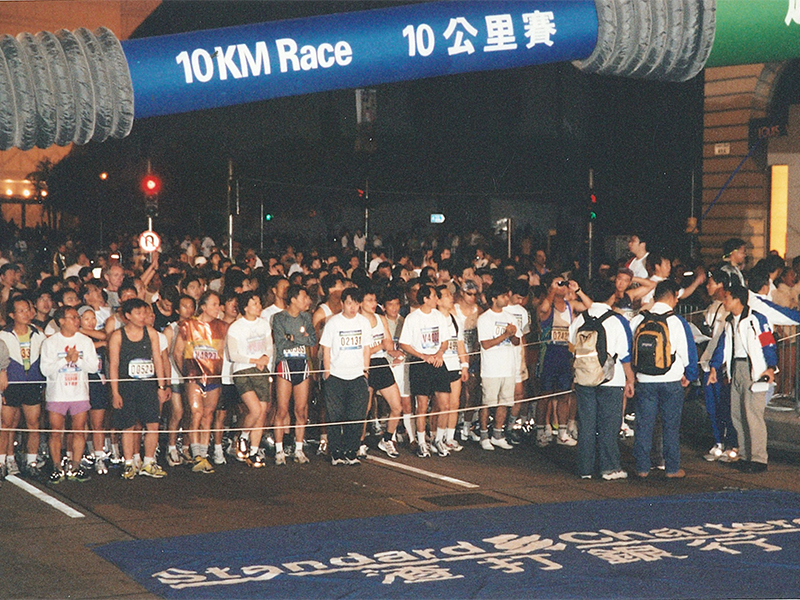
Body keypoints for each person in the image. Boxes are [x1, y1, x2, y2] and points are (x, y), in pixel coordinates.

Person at [630, 280, 699, 479]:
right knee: (670, 425)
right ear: (674, 297)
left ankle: (642, 467)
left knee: (643, 425)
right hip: (671, 380)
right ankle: (671, 468)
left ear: (654, 297)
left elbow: (630, 349)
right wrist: (690, 376)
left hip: (644, 380)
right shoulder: (677, 322)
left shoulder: (638, 320)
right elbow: (689, 355)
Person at [568, 277, 634, 480]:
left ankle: (584, 469)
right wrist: (630, 380)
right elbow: (625, 355)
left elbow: (571, 346)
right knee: (608, 425)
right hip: (611, 380)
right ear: (612, 295)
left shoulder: (580, 319)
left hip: (584, 378)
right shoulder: (617, 321)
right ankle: (609, 468)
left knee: (587, 424)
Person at [708, 284, 778, 474]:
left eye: (727, 298)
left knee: (753, 415)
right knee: (737, 414)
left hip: (752, 369)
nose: (724, 301)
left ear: (737, 299)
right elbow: (723, 346)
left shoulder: (756, 319)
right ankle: (746, 455)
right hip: (736, 369)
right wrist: (715, 366)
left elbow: (768, 343)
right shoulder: (730, 321)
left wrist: (770, 368)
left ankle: (758, 458)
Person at [108, 299, 170, 480]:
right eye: (138, 313)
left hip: (148, 386)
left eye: (145, 312)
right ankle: (129, 464)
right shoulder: (117, 336)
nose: (143, 317)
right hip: (127, 387)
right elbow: (113, 365)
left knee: (153, 424)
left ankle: (149, 462)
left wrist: (161, 385)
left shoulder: (151, 333)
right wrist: (115, 392)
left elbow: (158, 360)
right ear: (127, 316)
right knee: (128, 425)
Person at [40, 306, 99, 483]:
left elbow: (94, 367)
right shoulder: (50, 343)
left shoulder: (85, 341)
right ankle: (57, 466)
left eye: (77, 317)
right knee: (56, 431)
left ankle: (75, 465)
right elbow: (45, 370)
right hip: (57, 394)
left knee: (79, 431)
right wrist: (65, 360)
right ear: (61, 321)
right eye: (72, 317)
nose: (77, 320)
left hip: (79, 393)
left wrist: (77, 360)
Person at [173, 291, 229, 474]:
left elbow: (222, 353)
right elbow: (177, 352)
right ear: (203, 307)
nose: (217, 308)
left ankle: (204, 455)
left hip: (213, 376)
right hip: (194, 376)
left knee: (208, 415)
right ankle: (195, 453)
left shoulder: (223, 327)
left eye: (218, 304)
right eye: (213, 304)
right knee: (196, 413)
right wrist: (187, 374)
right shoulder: (188, 325)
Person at [319, 287, 372, 465]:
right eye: (349, 303)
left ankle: (351, 451)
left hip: (357, 376)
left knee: (356, 415)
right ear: (342, 303)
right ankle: (336, 452)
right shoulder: (333, 322)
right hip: (336, 375)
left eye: (356, 303)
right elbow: (326, 348)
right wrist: (327, 372)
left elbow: (367, 348)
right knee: (335, 415)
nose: (353, 307)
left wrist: (365, 371)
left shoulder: (363, 322)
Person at [398, 284, 451, 458]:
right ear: (425, 299)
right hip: (420, 364)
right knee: (421, 406)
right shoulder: (412, 318)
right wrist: (422, 356)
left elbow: (445, 341)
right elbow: (404, 344)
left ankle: (438, 439)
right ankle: (421, 442)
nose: (437, 299)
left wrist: (439, 353)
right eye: (434, 296)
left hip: (437, 362)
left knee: (444, 404)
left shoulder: (439, 316)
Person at [227, 290, 274, 467]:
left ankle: (253, 451)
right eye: (254, 303)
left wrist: (264, 359)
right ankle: (243, 436)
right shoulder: (236, 327)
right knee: (254, 409)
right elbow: (233, 354)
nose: (259, 307)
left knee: (262, 412)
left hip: (261, 370)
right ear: (245, 307)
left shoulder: (264, 325)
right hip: (243, 371)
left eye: (259, 303)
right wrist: (254, 360)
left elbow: (269, 347)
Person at [0, 296, 46, 477]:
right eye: (21, 311)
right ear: (12, 314)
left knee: (33, 423)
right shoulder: (3, 335)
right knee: (6, 424)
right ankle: (4, 460)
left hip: (32, 383)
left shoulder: (38, 333)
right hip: (11, 384)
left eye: (28, 309)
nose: (26, 314)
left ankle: (31, 461)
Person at [360, 287, 402, 459]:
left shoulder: (380, 318)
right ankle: (360, 442)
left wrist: (387, 349)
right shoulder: (358, 321)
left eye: (374, 300)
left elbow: (389, 343)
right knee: (365, 408)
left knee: (396, 406)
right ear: (360, 303)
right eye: (369, 300)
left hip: (381, 363)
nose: (373, 304)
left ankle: (386, 439)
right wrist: (380, 346)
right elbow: (363, 351)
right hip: (364, 365)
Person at [476, 285, 518, 451]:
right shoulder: (484, 318)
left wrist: (513, 335)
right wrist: (505, 335)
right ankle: (484, 434)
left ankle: (498, 434)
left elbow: (517, 342)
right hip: (491, 368)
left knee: (504, 403)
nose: (506, 299)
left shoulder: (510, 316)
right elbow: (485, 344)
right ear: (493, 299)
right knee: (487, 403)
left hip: (508, 367)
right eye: (503, 296)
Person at [436, 285, 468, 453]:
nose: (451, 297)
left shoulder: (455, 320)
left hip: (454, 364)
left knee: (454, 403)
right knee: (442, 405)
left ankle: (449, 437)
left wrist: (464, 365)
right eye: (446, 295)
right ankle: (436, 436)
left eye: (450, 294)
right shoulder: (434, 319)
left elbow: (460, 344)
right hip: (439, 365)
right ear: (438, 300)